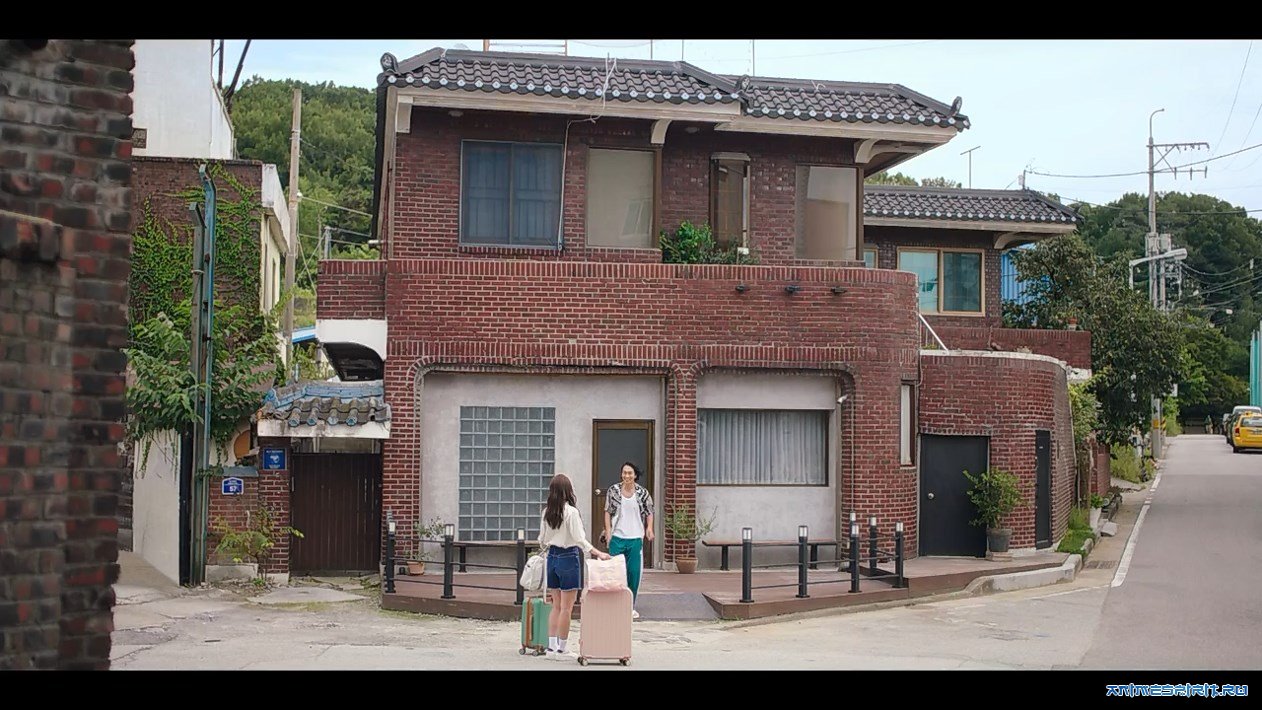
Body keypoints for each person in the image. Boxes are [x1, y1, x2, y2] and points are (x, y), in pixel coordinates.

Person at [538, 472, 609, 661]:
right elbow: (579, 540)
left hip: (552, 557)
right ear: (568, 490)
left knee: (555, 606)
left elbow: (542, 539)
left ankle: (551, 648)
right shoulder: (571, 512)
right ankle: (562, 649)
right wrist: (599, 553)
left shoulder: (546, 512)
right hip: (569, 557)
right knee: (566, 608)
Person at [601, 461, 654, 619]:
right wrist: (608, 531)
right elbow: (607, 511)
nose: (627, 476)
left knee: (633, 573)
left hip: (635, 538)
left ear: (635, 475)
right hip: (617, 537)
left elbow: (649, 511)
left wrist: (649, 528)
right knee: (615, 573)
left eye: (630, 473)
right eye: (624, 473)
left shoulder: (642, 493)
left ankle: (630, 606)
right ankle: (614, 605)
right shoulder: (614, 491)